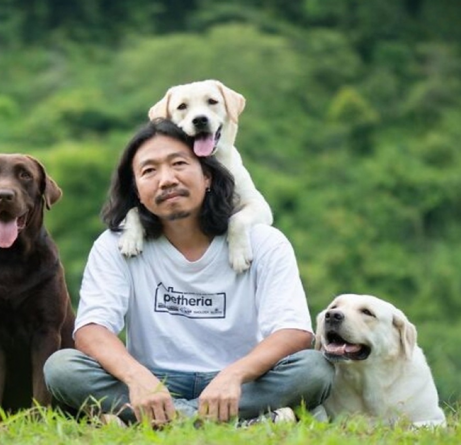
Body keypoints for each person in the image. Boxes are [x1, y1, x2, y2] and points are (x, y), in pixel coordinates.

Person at [44, 118, 332, 426]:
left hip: (242, 382)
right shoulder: (115, 244)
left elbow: (295, 331)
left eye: (179, 163)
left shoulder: (262, 240)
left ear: (207, 175)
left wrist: (234, 374)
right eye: (149, 171)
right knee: (61, 368)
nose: (166, 180)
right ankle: (243, 422)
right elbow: (92, 330)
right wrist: (138, 378)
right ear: (137, 192)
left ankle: (159, 421)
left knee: (314, 370)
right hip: (154, 381)